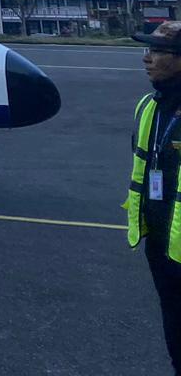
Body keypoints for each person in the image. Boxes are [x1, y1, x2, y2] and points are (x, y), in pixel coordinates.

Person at [128, 19, 181, 372]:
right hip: (162, 243)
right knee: (175, 328)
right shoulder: (149, 106)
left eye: (159, 50)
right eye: (148, 49)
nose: (148, 58)